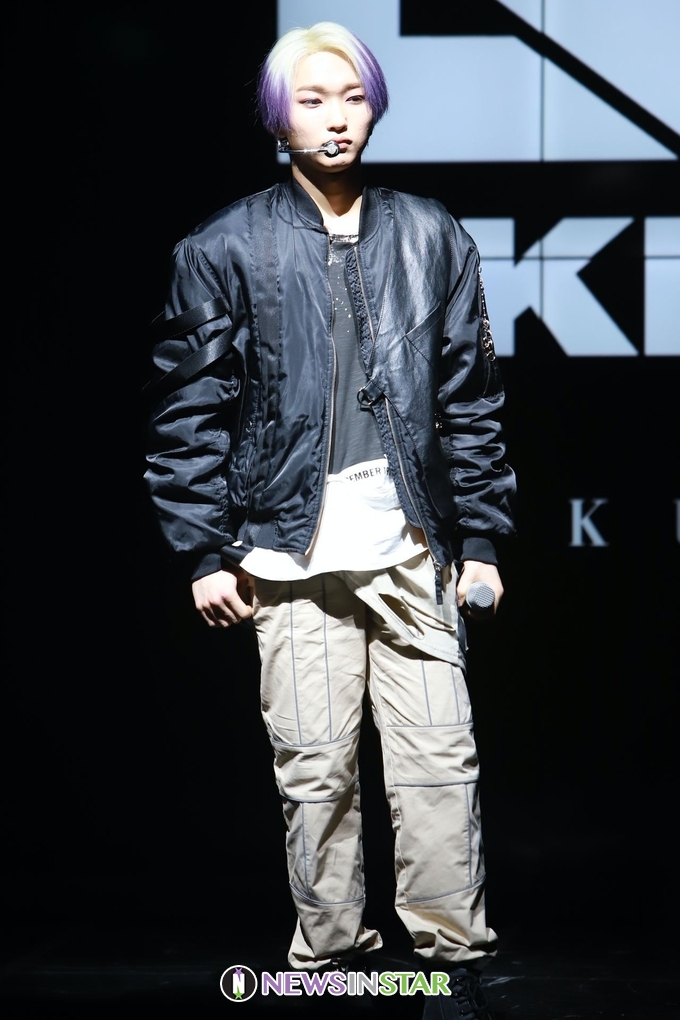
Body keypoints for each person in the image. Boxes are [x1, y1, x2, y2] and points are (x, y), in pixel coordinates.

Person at [144, 21, 515, 1019]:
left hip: (409, 544)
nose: (335, 118)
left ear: (375, 106)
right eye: (311, 99)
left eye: (351, 96)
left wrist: (480, 540)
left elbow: (470, 397)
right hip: (285, 549)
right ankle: (333, 965)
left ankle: (450, 969)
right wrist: (202, 552)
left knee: (439, 767)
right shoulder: (223, 245)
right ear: (278, 117)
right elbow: (189, 410)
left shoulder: (429, 233)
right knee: (316, 774)